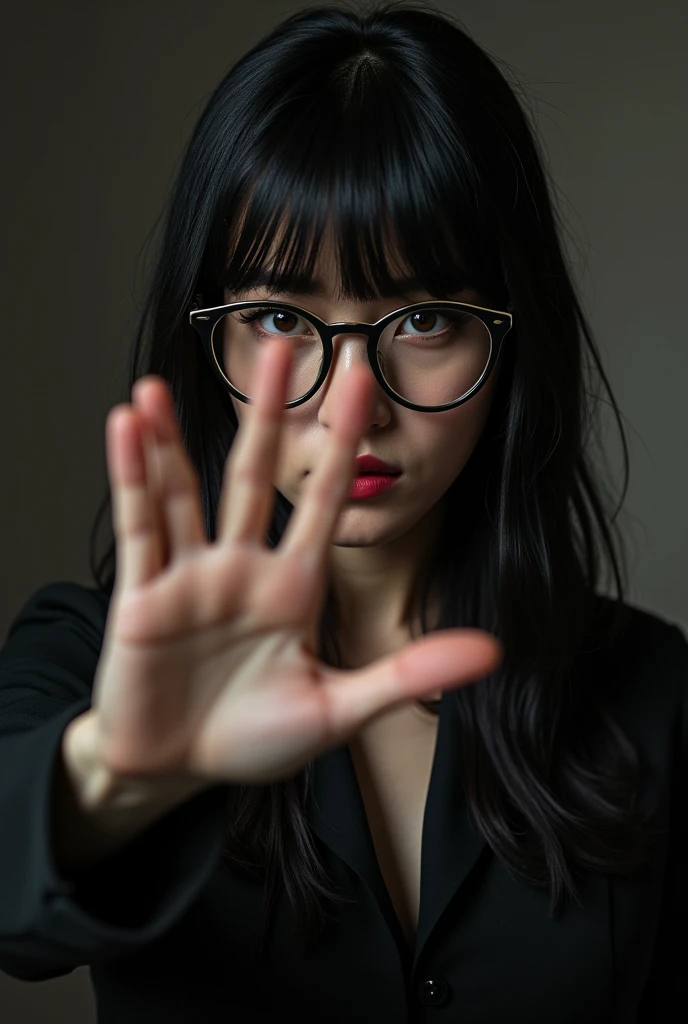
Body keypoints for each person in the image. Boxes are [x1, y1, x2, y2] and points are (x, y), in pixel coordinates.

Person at [0, 2, 685, 1021]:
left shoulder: (653, 694)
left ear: (510, 342)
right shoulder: (83, 655)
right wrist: (115, 772)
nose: (349, 404)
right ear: (210, 343)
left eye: (427, 320)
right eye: (279, 318)